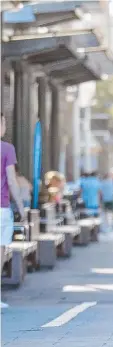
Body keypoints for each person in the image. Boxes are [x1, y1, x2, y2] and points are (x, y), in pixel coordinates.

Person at [1, 113, 26, 308]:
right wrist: (20, 206)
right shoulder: (7, 149)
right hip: (1, 208)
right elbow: (11, 180)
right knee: (0, 252)